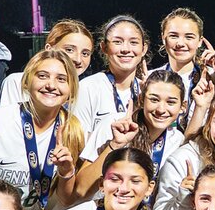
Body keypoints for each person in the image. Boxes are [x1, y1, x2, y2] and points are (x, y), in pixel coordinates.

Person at [0, 49, 85, 210]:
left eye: (61, 79)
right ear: (27, 82)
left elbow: (65, 198)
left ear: (71, 89)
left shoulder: (74, 130)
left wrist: (66, 172)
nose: (51, 85)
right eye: (43, 76)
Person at [74, 69, 188, 200]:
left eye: (171, 102)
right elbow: (80, 189)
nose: (161, 109)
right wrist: (115, 145)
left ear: (182, 107)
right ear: (141, 99)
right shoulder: (115, 124)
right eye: (154, 99)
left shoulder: (177, 140)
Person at [0, 19, 94, 110]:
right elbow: (9, 124)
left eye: (85, 53)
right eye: (69, 50)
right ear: (49, 49)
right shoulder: (18, 82)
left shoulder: (88, 91)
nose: (78, 59)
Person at [74, 15, 150, 132]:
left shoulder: (148, 92)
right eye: (117, 42)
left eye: (133, 42)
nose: (125, 49)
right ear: (104, 47)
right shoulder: (88, 88)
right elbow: (80, 142)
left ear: (143, 49)